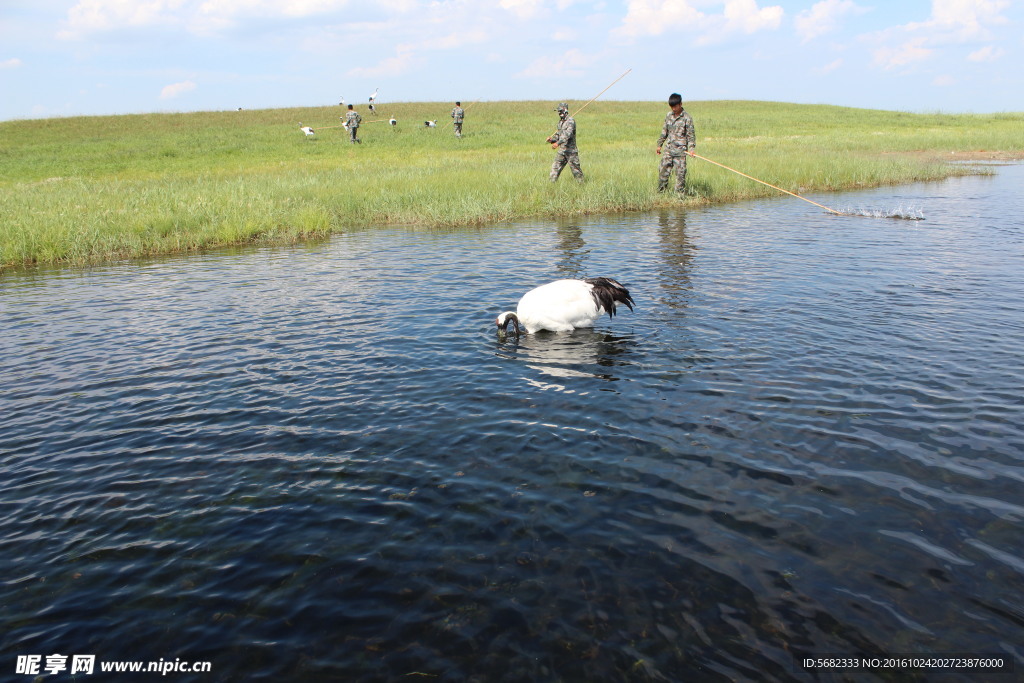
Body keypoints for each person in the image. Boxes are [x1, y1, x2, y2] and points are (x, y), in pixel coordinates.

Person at [656, 93, 696, 194]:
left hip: (681, 152)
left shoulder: (687, 118)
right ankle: (661, 194)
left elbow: (691, 136)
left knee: (680, 176)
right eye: (671, 106)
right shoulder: (668, 116)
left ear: (680, 104)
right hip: (668, 150)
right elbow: (664, 132)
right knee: (663, 173)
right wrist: (659, 145)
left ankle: (679, 197)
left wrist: (691, 149)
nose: (673, 109)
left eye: (675, 106)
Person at [546, 102, 584, 183]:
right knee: (555, 168)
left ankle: (582, 186)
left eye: (560, 111)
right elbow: (558, 136)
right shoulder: (560, 123)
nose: (559, 113)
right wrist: (552, 140)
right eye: (558, 111)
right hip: (562, 151)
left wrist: (558, 143)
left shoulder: (571, 121)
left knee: (576, 172)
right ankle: (550, 186)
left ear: (565, 111)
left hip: (571, 152)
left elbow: (568, 134)